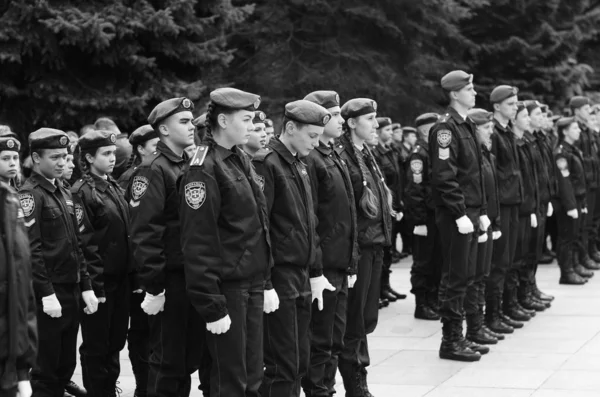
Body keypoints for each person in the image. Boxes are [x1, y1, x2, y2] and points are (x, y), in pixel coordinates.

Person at [178, 87, 270, 397]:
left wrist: (265, 280)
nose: (251, 125)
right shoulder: (204, 168)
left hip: (251, 282)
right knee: (229, 381)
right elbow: (198, 239)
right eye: (245, 119)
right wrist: (211, 305)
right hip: (228, 288)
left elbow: (255, 225)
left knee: (252, 376)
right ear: (223, 120)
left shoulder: (238, 158)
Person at [253, 99, 334, 397]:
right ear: (289, 128)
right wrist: (267, 282)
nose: (316, 143)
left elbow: (308, 222)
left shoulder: (298, 163)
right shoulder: (267, 163)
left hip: (300, 274)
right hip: (281, 276)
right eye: (312, 136)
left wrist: (316, 271)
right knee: (282, 365)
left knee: (300, 360)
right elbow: (261, 228)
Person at [127, 98, 205, 397]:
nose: (191, 127)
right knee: (167, 362)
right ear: (163, 129)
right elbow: (145, 232)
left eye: (190, 120)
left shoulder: (188, 164)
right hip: (169, 280)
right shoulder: (152, 170)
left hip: (190, 275)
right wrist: (154, 287)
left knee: (186, 360)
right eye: (183, 122)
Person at [19, 128, 99, 397]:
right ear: (35, 158)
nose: (62, 163)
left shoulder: (63, 192)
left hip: (71, 288)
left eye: (65, 156)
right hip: (49, 293)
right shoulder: (31, 194)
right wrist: (46, 293)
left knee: (66, 364)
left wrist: (86, 284)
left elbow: (76, 243)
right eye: (55, 157)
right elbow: (33, 249)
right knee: (46, 368)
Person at [301, 90, 358, 397]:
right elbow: (311, 218)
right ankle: (318, 391)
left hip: (340, 262)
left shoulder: (332, 152)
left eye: (338, 114)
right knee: (321, 340)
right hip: (323, 265)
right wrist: (316, 267)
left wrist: (352, 259)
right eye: (332, 115)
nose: (338, 120)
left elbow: (346, 210)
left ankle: (327, 389)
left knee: (335, 339)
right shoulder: (311, 158)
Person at [69, 130, 132, 397]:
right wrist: (94, 286)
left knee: (116, 342)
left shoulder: (112, 185)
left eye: (113, 153)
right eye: (105, 154)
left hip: (121, 279)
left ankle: (109, 388)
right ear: (89, 157)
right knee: (97, 346)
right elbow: (85, 242)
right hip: (100, 282)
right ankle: (99, 391)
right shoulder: (82, 191)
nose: (112, 158)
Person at [336, 98, 393, 394]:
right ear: (352, 123)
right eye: (369, 119)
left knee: (367, 317)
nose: (375, 124)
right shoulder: (343, 155)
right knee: (355, 320)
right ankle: (355, 380)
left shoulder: (365, 152)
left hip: (375, 244)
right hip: (360, 247)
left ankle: (359, 372)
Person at [430, 71, 487, 362]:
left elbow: (474, 175)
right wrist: (460, 212)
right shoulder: (446, 128)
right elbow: (444, 176)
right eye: (469, 88)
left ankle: (460, 336)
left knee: (466, 275)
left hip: (471, 212)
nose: (474, 92)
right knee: (455, 277)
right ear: (455, 94)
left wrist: (483, 211)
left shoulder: (466, 125)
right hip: (457, 216)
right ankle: (450, 340)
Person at [0, 136, 37, 397]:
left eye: (15, 157)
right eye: (5, 158)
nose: (12, 162)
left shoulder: (12, 196)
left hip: (17, 305)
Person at [486, 85, 522, 335]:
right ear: (497, 106)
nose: (516, 107)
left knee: (509, 259)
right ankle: (493, 315)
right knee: (498, 262)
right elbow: (493, 173)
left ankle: (506, 307)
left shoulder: (507, 132)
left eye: (516, 103)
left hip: (513, 201)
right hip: (501, 203)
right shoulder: (494, 134)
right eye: (511, 103)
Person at [463, 108, 501, 346]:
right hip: (474, 221)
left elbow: (491, 193)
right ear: (474, 130)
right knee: (473, 276)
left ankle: (479, 324)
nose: (491, 132)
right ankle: (474, 328)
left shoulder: (487, 155)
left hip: (485, 220)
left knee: (482, 274)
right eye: (486, 128)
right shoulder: (472, 158)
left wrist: (493, 220)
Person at [404, 112, 442, 321]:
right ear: (427, 130)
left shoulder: (434, 151)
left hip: (435, 216)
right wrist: (419, 221)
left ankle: (433, 299)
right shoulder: (419, 155)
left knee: (437, 260)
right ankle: (422, 304)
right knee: (423, 262)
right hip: (424, 218)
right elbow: (414, 190)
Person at [504, 104, 538, 327]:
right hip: (514, 206)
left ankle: (520, 296)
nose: (527, 119)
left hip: (525, 205)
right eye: (524, 115)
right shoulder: (511, 140)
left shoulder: (523, 141)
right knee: (510, 260)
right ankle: (508, 303)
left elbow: (531, 177)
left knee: (523, 255)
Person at [521, 100, 556, 308]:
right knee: (525, 251)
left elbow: (545, 172)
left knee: (534, 250)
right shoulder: (524, 140)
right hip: (529, 202)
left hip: (541, 199)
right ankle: (523, 293)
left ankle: (531, 287)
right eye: (537, 115)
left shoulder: (539, 138)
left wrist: (548, 196)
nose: (542, 118)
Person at [372, 117, 406, 306]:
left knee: (389, 250)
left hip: (393, 207)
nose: (390, 133)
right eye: (387, 130)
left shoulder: (391, 151)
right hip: (383, 209)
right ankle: (379, 289)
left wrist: (399, 205)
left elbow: (397, 182)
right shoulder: (376, 153)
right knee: (383, 251)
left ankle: (385, 286)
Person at [553, 117, 588, 285]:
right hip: (569, 202)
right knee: (566, 237)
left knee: (574, 235)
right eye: (575, 128)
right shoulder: (561, 152)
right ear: (565, 131)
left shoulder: (572, 149)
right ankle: (566, 272)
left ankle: (573, 266)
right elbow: (564, 181)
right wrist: (570, 205)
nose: (579, 131)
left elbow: (579, 179)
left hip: (577, 199)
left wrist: (583, 203)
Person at [570, 96, 600, 273]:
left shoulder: (587, 129)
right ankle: (582, 257)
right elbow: (578, 159)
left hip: (593, 181)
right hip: (585, 183)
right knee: (583, 224)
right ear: (576, 111)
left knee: (592, 221)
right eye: (585, 108)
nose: (589, 111)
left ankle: (590, 252)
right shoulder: (575, 129)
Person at [118, 125, 159, 190]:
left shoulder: (161, 170)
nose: (160, 149)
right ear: (141, 149)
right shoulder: (129, 178)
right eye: (155, 145)